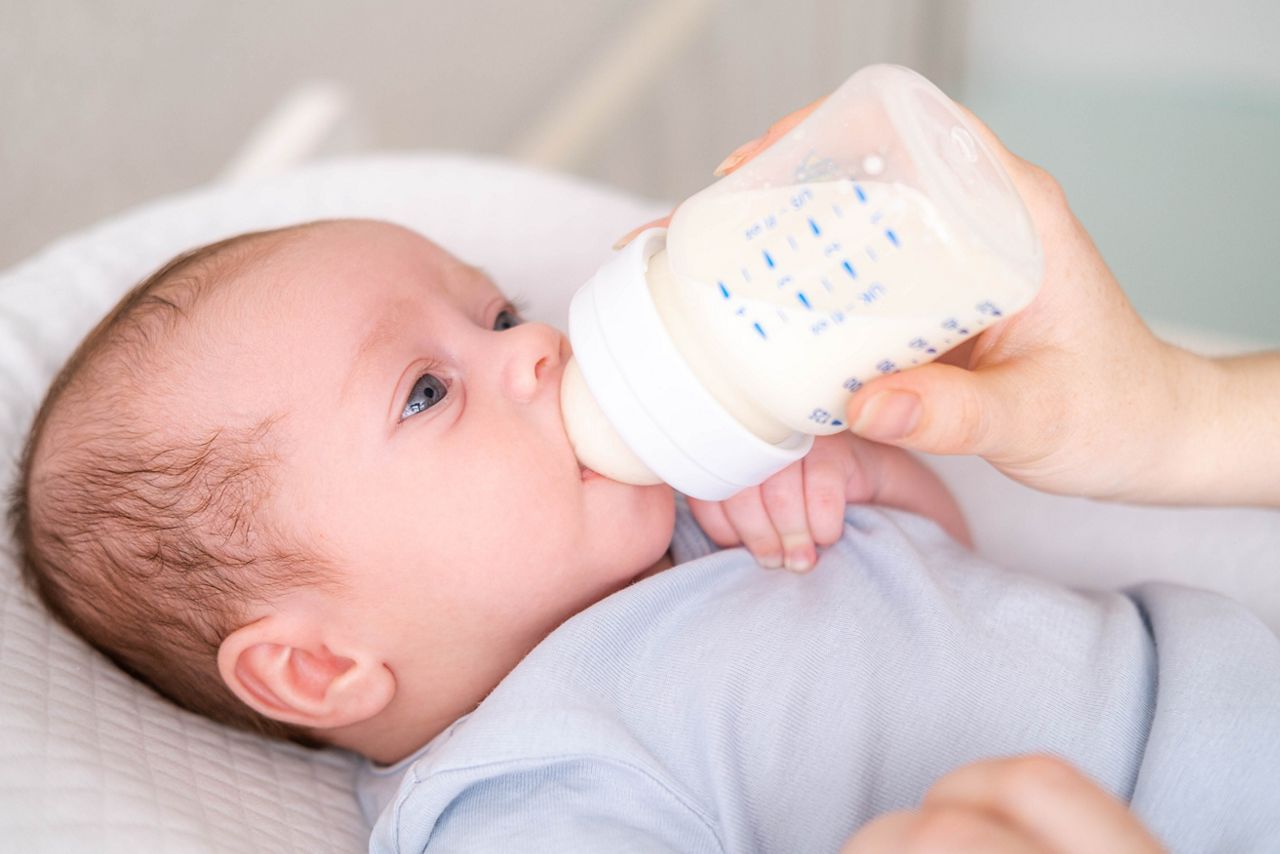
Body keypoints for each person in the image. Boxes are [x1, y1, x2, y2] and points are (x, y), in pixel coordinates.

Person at [10, 209, 1279, 852]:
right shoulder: (525, 781)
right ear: (319, 664)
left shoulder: (684, 509)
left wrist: (854, 471)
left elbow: (953, 582)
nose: (537, 345)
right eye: (424, 389)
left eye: (495, 311)